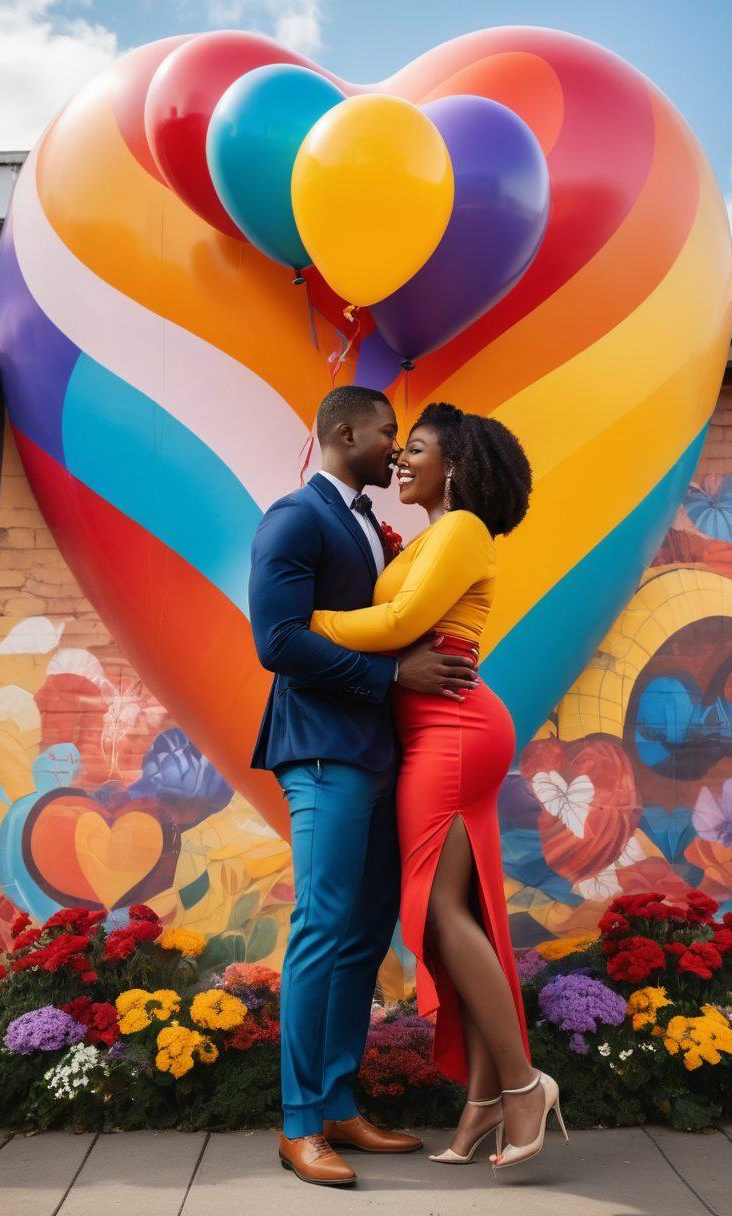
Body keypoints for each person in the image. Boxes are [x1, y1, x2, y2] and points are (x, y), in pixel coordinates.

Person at [309, 402, 569, 1175]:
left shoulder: (460, 531)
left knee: (434, 910)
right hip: (438, 731)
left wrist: (307, 622)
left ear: (453, 464)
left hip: (452, 732)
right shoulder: (432, 536)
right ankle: (485, 1102)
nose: (400, 459)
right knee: (465, 915)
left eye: (415, 448)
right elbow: (394, 615)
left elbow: (397, 623)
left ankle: (524, 1086)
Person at [248, 386, 480, 1187]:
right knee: (322, 925)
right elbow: (276, 641)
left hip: (382, 756)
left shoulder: (370, 528)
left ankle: (339, 1102)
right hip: (321, 752)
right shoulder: (295, 517)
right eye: (388, 433)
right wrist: (391, 677)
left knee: (362, 932)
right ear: (345, 432)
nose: (395, 447)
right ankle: (300, 1125)